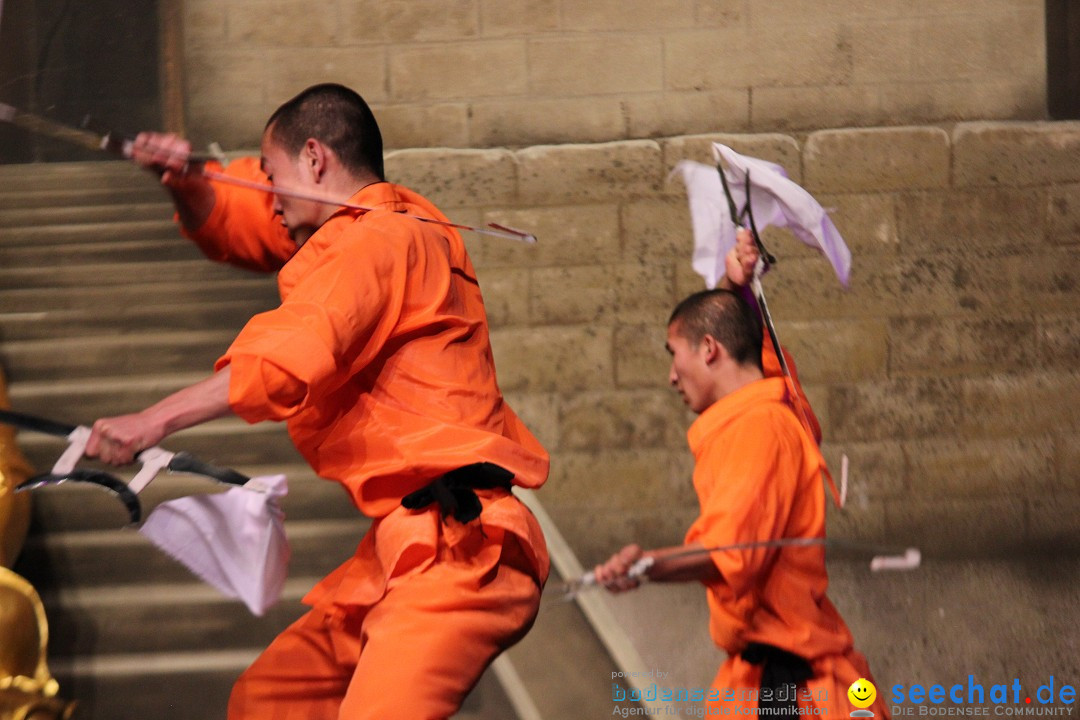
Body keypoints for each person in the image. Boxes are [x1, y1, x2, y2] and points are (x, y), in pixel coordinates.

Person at [84, 84, 549, 719]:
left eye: (270, 174)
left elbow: (284, 360)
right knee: (269, 701)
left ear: (314, 159)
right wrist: (186, 182)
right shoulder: (387, 224)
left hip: (462, 552)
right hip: (407, 547)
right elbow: (244, 220)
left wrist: (149, 421)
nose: (267, 196)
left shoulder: (376, 241)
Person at [594, 234, 885, 718]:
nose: (670, 375)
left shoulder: (761, 427)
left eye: (673, 352)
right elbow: (751, 349)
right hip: (765, 681)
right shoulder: (771, 409)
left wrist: (647, 564)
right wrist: (736, 283)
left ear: (708, 350)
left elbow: (732, 553)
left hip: (789, 692)